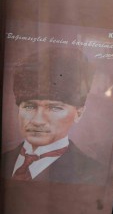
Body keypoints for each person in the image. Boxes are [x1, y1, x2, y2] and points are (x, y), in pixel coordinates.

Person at [1, 46, 105, 184]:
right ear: (18, 109)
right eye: (29, 106)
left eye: (55, 108)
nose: (38, 121)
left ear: (78, 114)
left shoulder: (95, 173)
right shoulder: (5, 160)